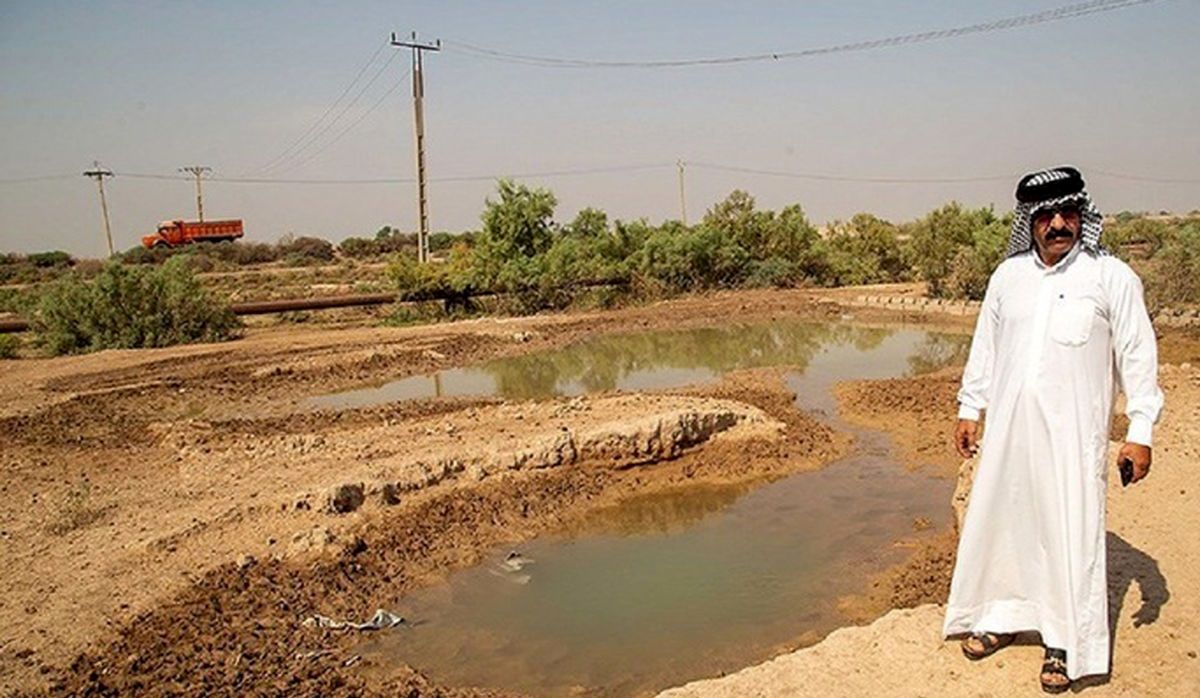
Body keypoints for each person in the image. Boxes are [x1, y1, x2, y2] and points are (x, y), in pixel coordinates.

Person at [941, 166, 1163, 693]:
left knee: (1070, 532)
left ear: (1083, 216)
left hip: (1073, 439)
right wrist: (971, 407)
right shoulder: (1007, 276)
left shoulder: (1111, 278)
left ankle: (1063, 642)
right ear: (1030, 221)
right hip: (1009, 435)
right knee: (1004, 519)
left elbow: (1139, 358)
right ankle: (998, 615)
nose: (1058, 224)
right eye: (1046, 215)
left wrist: (1141, 431)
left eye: (1068, 213)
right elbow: (986, 350)